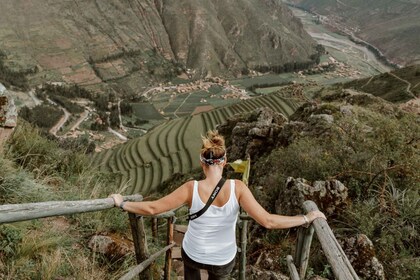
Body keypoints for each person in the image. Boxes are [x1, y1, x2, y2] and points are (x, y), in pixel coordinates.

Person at [110, 130, 326, 280]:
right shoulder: (238, 188)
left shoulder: (190, 188)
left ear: (202, 162)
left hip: (193, 252)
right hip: (223, 257)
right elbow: (267, 221)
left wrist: (122, 203)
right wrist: (306, 218)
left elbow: (153, 208)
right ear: (224, 162)